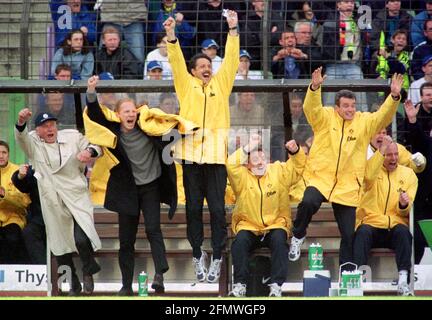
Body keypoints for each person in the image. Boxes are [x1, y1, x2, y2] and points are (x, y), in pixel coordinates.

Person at [84, 75, 196, 296]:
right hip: (128, 191)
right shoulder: (113, 131)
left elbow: (171, 128)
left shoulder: (148, 128)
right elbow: (95, 113)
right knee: (127, 240)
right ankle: (126, 285)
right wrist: (91, 90)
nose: (131, 114)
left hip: (151, 187)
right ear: (118, 115)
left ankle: (160, 276)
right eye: (126, 111)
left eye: (133, 110)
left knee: (154, 229)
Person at [288, 67, 403, 270]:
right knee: (308, 202)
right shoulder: (325, 118)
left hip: (348, 186)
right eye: (346, 106)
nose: (350, 109)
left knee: (349, 234)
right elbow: (311, 110)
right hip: (321, 179)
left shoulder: (363, 121)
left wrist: (394, 96)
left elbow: (382, 117)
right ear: (336, 108)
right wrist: (314, 88)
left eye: (353, 106)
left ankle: (347, 272)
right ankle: (298, 235)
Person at [164, 10, 239, 283]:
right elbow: (175, 60)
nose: (207, 68)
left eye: (209, 64)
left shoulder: (222, 84)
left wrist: (233, 30)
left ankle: (217, 256)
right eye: (202, 66)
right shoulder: (186, 86)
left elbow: (231, 60)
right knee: (193, 209)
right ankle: (198, 254)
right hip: (190, 158)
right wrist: (171, 35)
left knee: (218, 211)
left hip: (216, 158)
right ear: (194, 71)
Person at [15, 110, 102, 296]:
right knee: (60, 246)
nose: (49, 129)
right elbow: (21, 138)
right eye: (44, 126)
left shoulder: (72, 136)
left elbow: (96, 146)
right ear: (37, 130)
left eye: (52, 125)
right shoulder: (33, 143)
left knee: (81, 237)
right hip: (52, 200)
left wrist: (89, 151)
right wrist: (21, 121)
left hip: (76, 196)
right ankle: (74, 285)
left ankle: (89, 269)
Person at [227, 135, 306, 297]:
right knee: (239, 242)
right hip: (248, 225)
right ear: (247, 165)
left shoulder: (278, 171)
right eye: (255, 160)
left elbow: (297, 168)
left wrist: (296, 151)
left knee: (279, 240)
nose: (261, 162)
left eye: (263, 158)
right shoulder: (241, 177)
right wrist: (247, 147)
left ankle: (276, 285)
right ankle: (240, 285)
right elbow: (231, 164)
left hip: (275, 224)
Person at [353, 136, 418, 296]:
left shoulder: (409, 175)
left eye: (396, 154)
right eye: (389, 155)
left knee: (404, 233)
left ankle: (403, 281)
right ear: (382, 155)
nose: (394, 158)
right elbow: (366, 179)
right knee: (362, 233)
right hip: (372, 223)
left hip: (394, 225)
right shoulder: (370, 171)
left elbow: (405, 210)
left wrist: (403, 204)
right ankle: (358, 281)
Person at [404, 99, 432, 264]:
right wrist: (413, 120)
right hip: (424, 205)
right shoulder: (428, 144)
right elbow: (418, 139)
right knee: (418, 241)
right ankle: (410, 277)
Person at [0, 141, 31, 264]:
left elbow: (24, 202)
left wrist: (5, 195)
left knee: (12, 238)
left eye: (4, 152)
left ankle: (10, 277)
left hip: (14, 218)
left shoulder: (18, 172)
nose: (1, 156)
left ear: (8, 154)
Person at [11, 164, 46, 264]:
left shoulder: (63, 164)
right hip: (40, 218)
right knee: (29, 232)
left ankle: (59, 271)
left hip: (61, 218)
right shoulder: (36, 167)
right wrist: (20, 176)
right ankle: (42, 269)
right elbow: (23, 184)